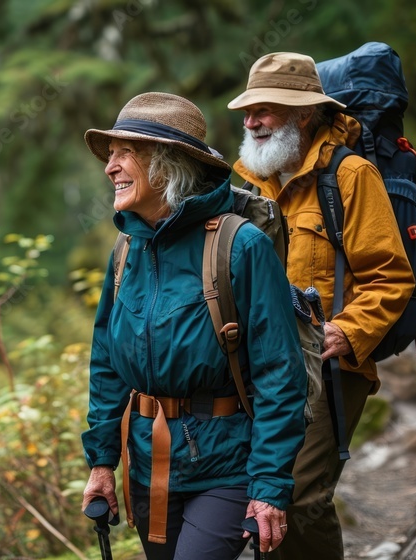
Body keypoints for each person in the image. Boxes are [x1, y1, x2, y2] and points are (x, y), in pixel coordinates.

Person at [80, 91, 307, 559]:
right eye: (111, 155)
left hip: (226, 466)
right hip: (147, 466)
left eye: (126, 153)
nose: (110, 167)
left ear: (166, 165)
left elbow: (280, 377)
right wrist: (102, 463)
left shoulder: (240, 247)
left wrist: (268, 485)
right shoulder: (126, 251)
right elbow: (106, 364)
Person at [227, 52, 416, 559]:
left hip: (330, 368)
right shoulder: (248, 184)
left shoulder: (350, 176)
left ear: (304, 113)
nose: (250, 122)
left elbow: (391, 276)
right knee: (258, 498)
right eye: (248, 111)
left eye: (264, 109)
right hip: (260, 370)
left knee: (297, 495)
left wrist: (347, 332)